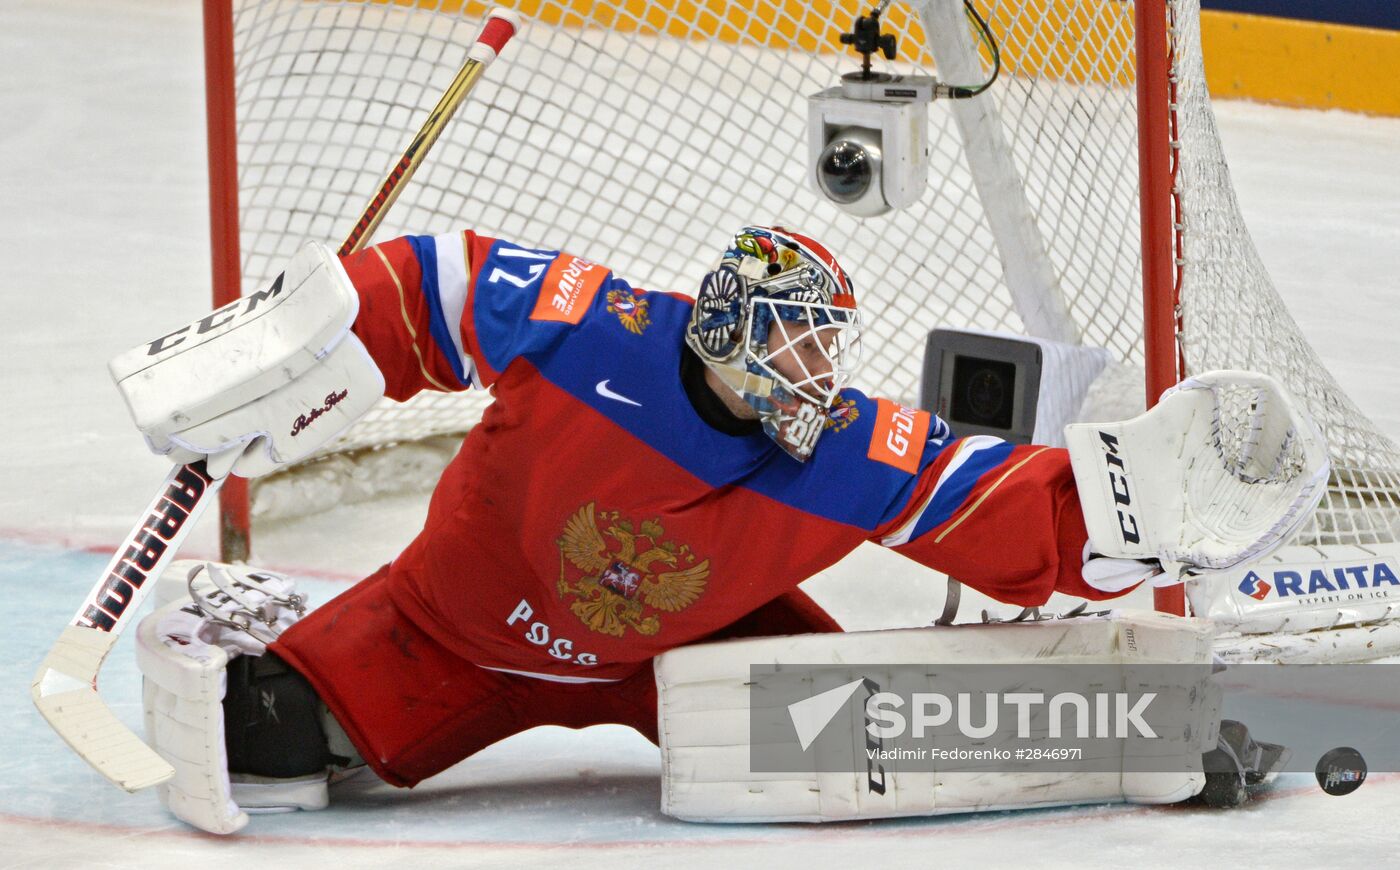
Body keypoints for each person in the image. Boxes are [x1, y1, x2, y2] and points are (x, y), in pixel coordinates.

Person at [132, 225, 1287, 833]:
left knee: (872, 740)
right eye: (791, 336)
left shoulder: (839, 445)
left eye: (825, 342)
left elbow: (981, 497)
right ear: (727, 324)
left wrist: (1126, 518)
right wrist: (309, 347)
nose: (814, 366)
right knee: (268, 739)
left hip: (699, 651)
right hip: (449, 630)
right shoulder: (593, 329)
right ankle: (296, 687)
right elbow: (436, 282)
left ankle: (1122, 736)